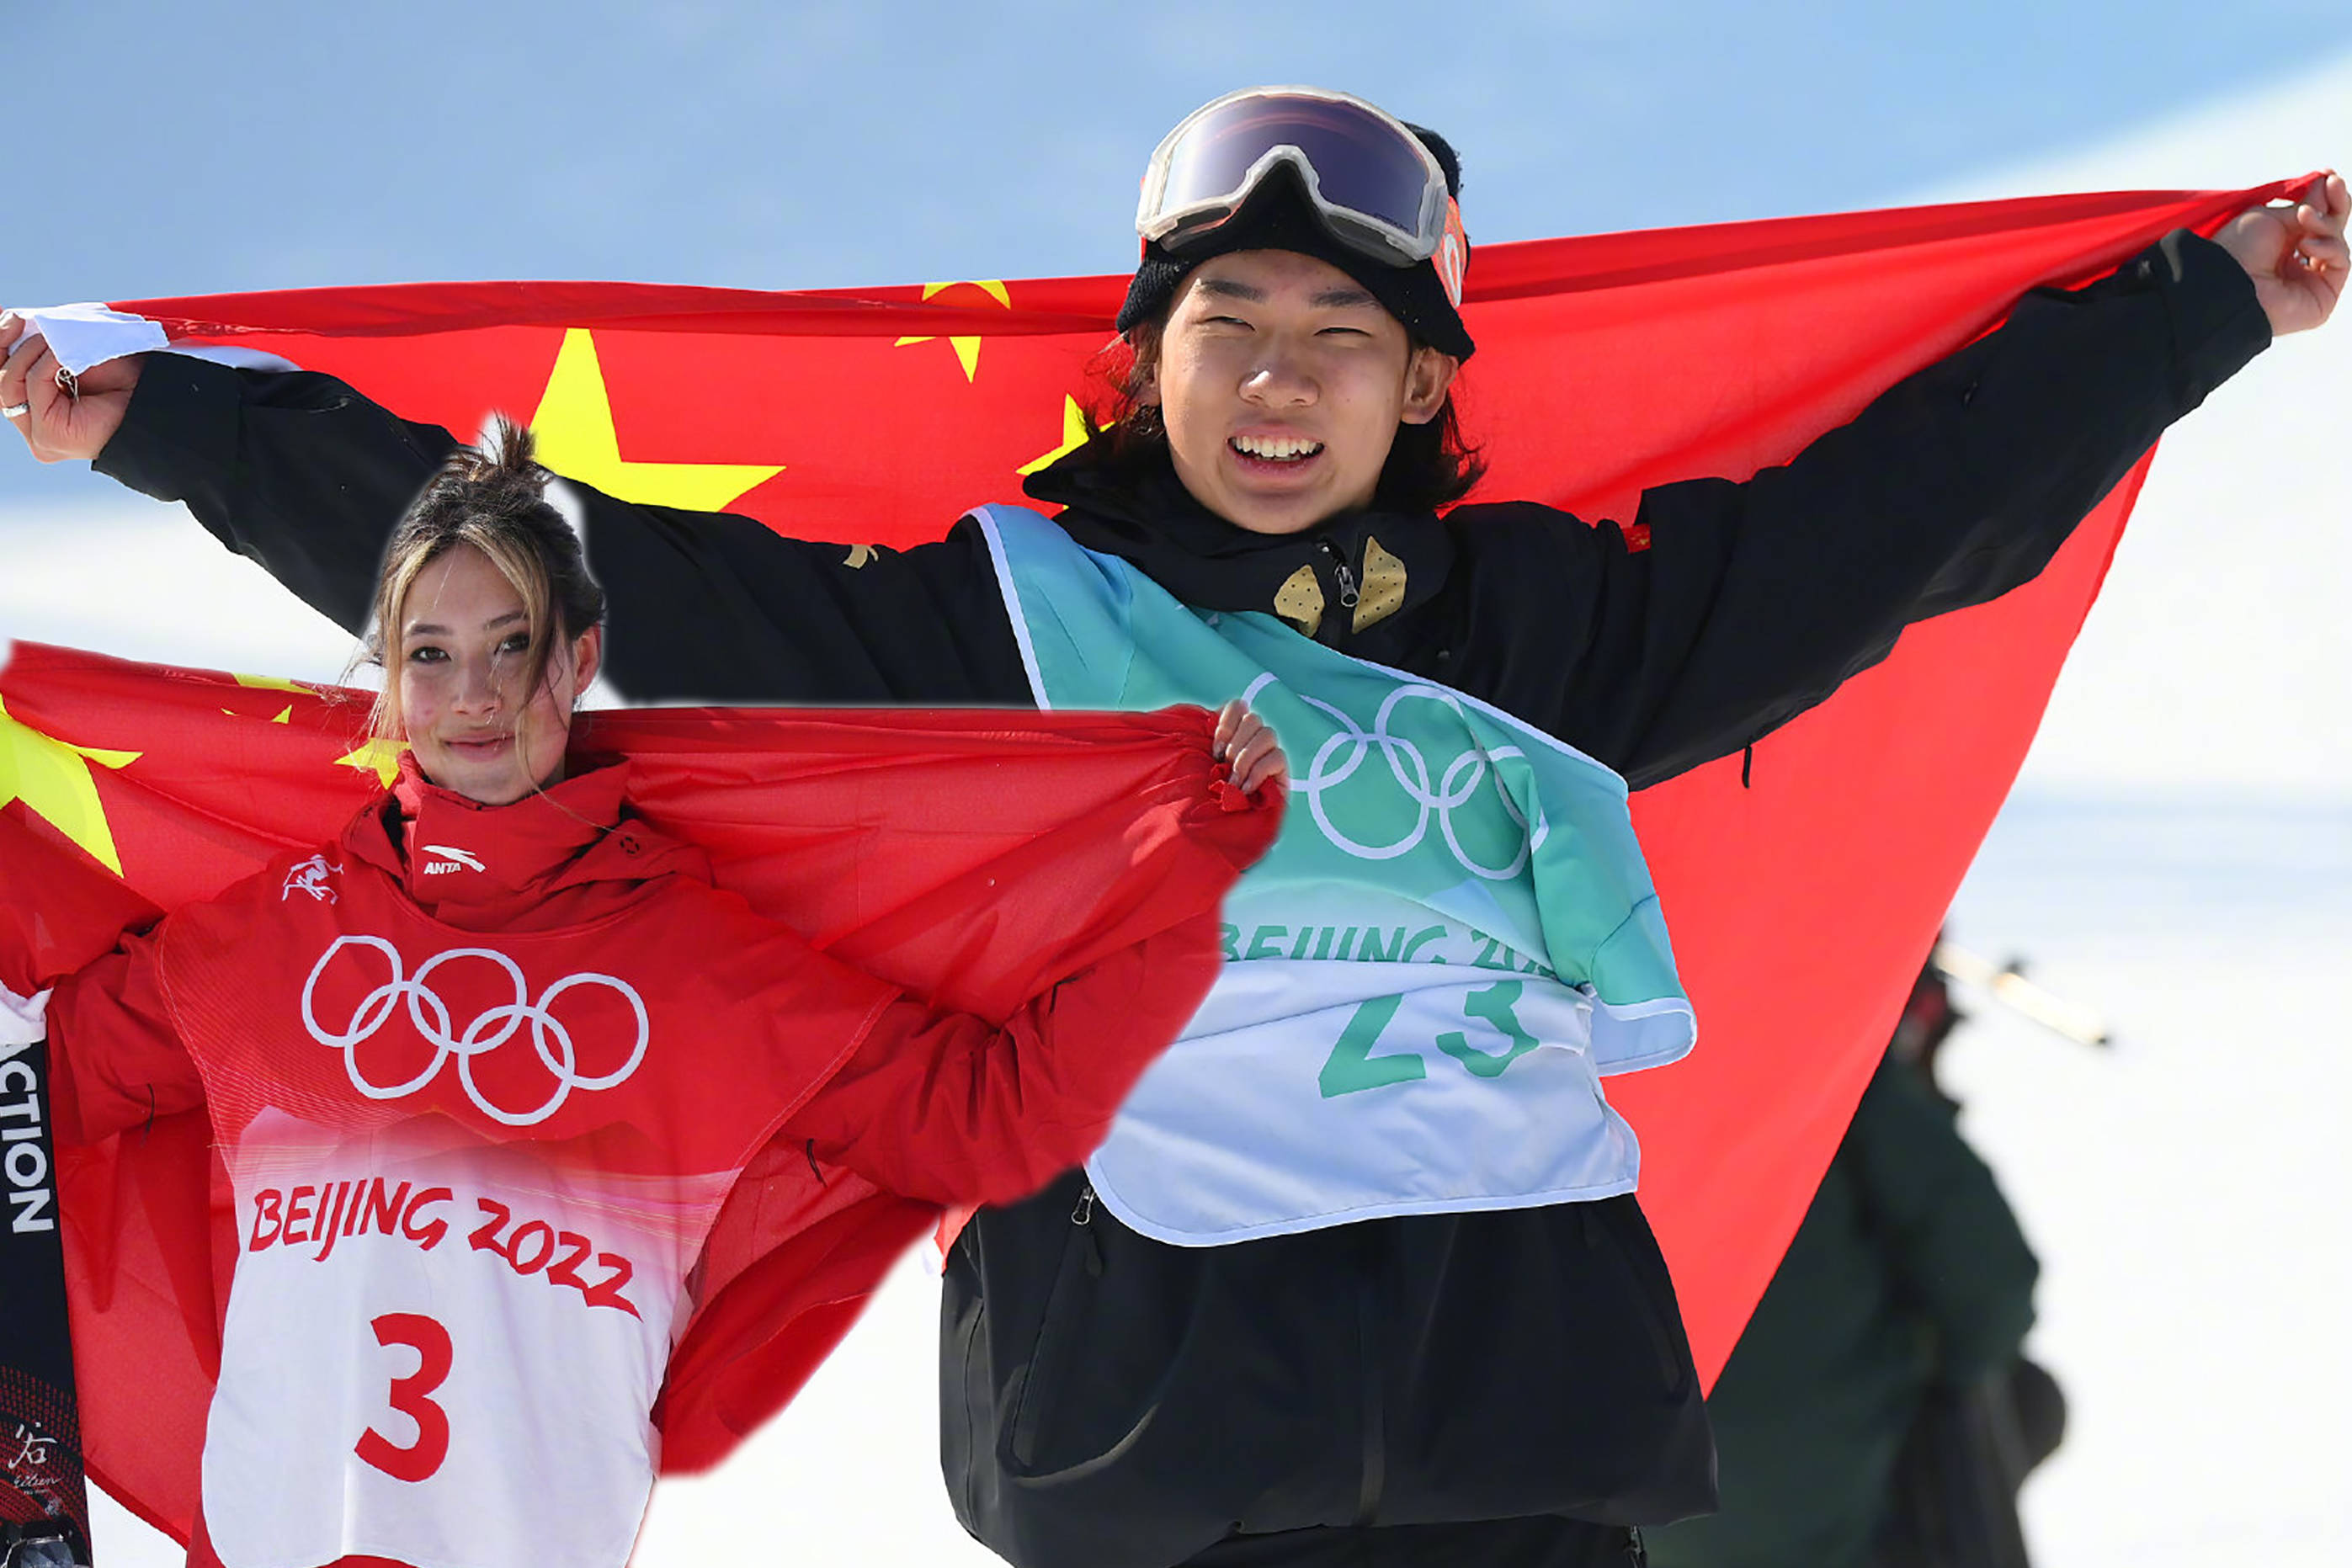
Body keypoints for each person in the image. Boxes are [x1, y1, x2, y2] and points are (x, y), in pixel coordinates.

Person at [2, 85, 2343, 1568]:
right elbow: (601, 571)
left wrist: (2190, 314)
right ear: (1149, 366)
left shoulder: (1554, 627)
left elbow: (1887, 520)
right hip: (1144, 1453)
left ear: (1425, 382)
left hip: (1508, 1449)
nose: (1280, 372)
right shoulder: (1015, 623)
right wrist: (189, 434)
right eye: (1230, 319)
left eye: (1340, 331)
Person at [1, 421, 1285, 1568]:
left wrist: (1179, 880)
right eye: (431, 654)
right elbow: (33, 1094)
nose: (476, 696)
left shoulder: (693, 962)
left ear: (578, 660)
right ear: (385, 679)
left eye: (513, 646)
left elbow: (986, 1117)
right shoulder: (261, 945)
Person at [1644, 959, 2056, 1568]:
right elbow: (1992, 1292)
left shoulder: (1547, 1053)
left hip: (1629, 1515)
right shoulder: (1820, 1042)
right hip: (1829, 1515)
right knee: (2022, 1397)